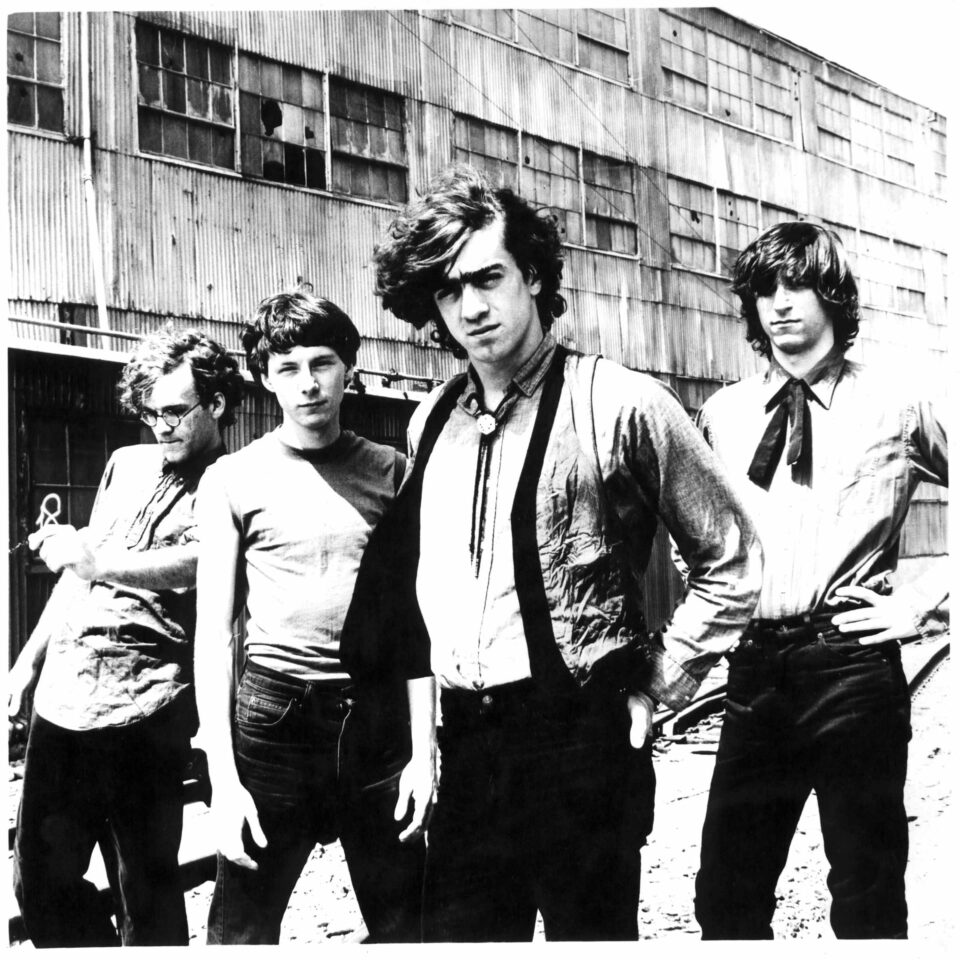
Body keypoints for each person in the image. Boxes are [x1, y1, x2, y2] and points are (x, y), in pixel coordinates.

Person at [368, 164, 762, 941]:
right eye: (448, 291)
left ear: (536, 275)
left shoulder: (620, 403)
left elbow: (734, 560)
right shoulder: (431, 420)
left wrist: (660, 683)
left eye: (489, 278)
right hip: (469, 746)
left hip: (579, 745)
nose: (471, 307)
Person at [692, 221, 949, 939]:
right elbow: (698, 531)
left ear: (833, 294)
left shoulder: (897, 404)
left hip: (852, 665)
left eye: (798, 284)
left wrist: (933, 607)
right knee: (726, 900)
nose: (780, 303)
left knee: (866, 899)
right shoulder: (726, 413)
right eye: (765, 289)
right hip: (756, 674)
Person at [194, 291, 435, 944]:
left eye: (323, 363)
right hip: (275, 723)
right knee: (240, 930)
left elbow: (420, 622)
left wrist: (423, 750)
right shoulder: (230, 480)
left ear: (349, 369)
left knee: (406, 926)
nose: (308, 383)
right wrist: (223, 779)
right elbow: (213, 635)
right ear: (265, 377)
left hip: (377, 723)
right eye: (289, 366)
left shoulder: (393, 472)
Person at [8, 327, 244, 947]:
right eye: (149, 411)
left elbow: (199, 562)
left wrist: (97, 564)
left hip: (149, 707)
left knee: (147, 890)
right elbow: (76, 575)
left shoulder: (234, 481)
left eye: (174, 411)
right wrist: (28, 661)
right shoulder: (127, 464)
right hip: (64, 698)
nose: (160, 426)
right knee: (38, 885)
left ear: (216, 404)